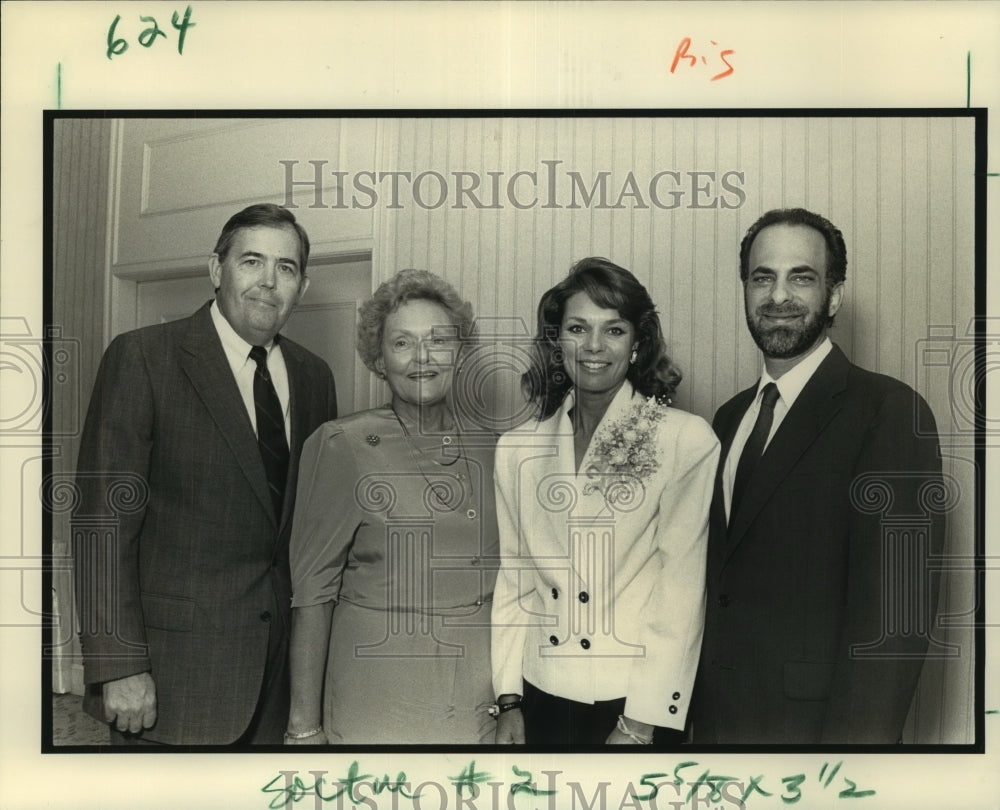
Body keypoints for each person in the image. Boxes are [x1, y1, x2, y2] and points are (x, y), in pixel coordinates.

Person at [72, 203, 337, 745]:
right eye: (251, 262)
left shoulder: (314, 376)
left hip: (279, 678)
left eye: (285, 268)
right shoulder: (144, 357)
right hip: (173, 677)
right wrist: (117, 664)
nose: (268, 282)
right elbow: (102, 523)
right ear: (216, 271)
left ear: (302, 287)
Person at [691, 208, 945, 744]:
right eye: (763, 277)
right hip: (718, 736)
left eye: (800, 277)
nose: (778, 296)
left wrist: (845, 773)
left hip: (819, 745)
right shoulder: (729, 418)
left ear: (834, 296)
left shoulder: (889, 411)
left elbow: (896, 622)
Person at [491, 257, 720, 746]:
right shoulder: (516, 449)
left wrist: (639, 725)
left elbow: (680, 594)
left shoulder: (684, 439)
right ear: (557, 341)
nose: (594, 347)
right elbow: (515, 580)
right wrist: (508, 699)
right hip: (539, 692)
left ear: (638, 343)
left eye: (613, 330)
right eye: (578, 328)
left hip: (633, 702)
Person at [285, 269, 499, 745]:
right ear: (378, 359)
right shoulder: (342, 444)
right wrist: (303, 727)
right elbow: (311, 594)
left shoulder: (496, 447)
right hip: (378, 688)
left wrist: (511, 702)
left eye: (438, 341)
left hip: (477, 690)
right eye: (402, 343)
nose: (422, 358)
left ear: (460, 353)